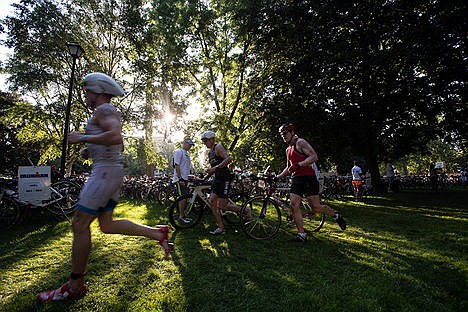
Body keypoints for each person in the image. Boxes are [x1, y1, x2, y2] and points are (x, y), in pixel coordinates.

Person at [37, 73, 172, 302]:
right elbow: (117, 142)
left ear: (97, 91)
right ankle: (158, 233)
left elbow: (115, 135)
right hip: (110, 171)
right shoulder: (106, 112)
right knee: (107, 225)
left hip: (105, 173)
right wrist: (90, 148)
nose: (84, 94)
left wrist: (83, 138)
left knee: (79, 223)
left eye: (86, 90)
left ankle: (75, 285)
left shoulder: (104, 110)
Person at [275, 123, 346, 243]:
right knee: (294, 204)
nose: (283, 136)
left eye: (285, 134)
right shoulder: (288, 149)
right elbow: (288, 168)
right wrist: (278, 177)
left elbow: (314, 157)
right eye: (281, 135)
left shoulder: (300, 142)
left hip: (309, 177)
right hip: (297, 178)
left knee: (316, 207)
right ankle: (301, 235)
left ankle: (336, 215)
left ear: (292, 132)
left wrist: (299, 164)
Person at [201, 130, 245, 235]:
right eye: (203, 141)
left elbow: (229, 159)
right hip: (217, 179)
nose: (204, 143)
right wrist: (204, 178)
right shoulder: (210, 153)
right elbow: (213, 170)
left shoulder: (218, 147)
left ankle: (246, 210)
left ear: (212, 139)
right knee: (212, 202)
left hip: (225, 178)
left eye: (206, 141)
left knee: (223, 205)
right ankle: (221, 227)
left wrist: (215, 168)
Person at [172, 138, 195, 223]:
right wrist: (180, 178)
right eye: (189, 144)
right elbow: (176, 165)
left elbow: (186, 167)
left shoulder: (187, 154)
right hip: (180, 179)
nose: (190, 146)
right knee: (182, 198)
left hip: (186, 179)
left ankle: (183, 215)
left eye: (191, 145)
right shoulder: (179, 152)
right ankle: (181, 216)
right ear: (184, 143)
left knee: (185, 198)